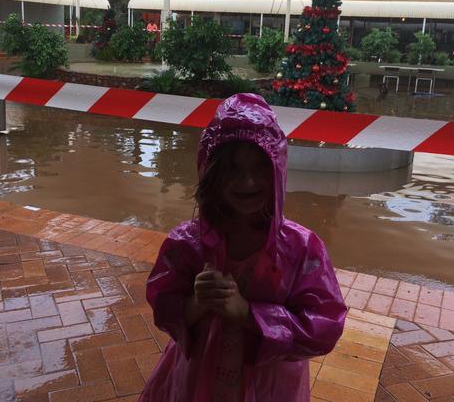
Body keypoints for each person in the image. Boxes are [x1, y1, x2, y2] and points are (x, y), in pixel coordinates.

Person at [139, 93, 347, 401]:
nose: (247, 182)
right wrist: (198, 302)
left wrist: (248, 313)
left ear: (276, 169)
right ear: (211, 172)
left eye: (259, 167)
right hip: (196, 382)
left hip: (271, 388)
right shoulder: (187, 244)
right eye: (232, 168)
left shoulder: (302, 249)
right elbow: (164, 306)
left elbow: (324, 327)